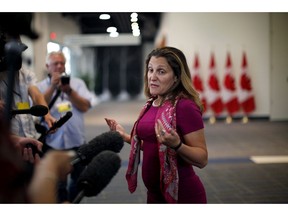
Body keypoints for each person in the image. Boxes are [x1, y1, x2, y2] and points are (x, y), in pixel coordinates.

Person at [105, 46, 208, 203]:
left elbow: (202, 159)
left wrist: (178, 145)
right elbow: (153, 145)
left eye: (161, 71)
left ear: (176, 77)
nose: (152, 77)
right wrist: (125, 136)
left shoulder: (184, 106)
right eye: (150, 70)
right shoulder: (150, 104)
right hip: (154, 196)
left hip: (182, 195)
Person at [36, 51, 95, 203]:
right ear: (47, 66)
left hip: (76, 140)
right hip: (52, 142)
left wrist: (68, 90)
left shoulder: (77, 83)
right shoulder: (39, 87)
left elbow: (84, 107)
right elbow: (38, 111)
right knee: (57, 184)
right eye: (56, 63)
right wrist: (52, 88)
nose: (60, 66)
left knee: (79, 180)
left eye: (62, 63)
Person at [0, 31, 56, 139]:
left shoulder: (26, 74)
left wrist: (47, 115)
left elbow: (36, 95)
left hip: (31, 137)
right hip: (9, 143)